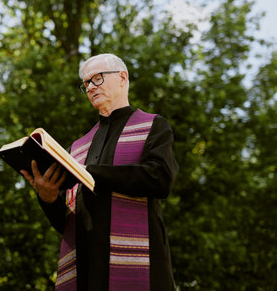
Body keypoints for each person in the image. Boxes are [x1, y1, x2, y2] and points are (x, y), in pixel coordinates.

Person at [21, 53, 178, 291]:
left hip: (140, 264)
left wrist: (89, 173)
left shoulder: (153, 126)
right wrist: (48, 197)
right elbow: (65, 222)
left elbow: (160, 178)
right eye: (86, 84)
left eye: (98, 79)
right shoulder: (77, 148)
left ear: (122, 78)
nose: (91, 87)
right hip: (85, 267)